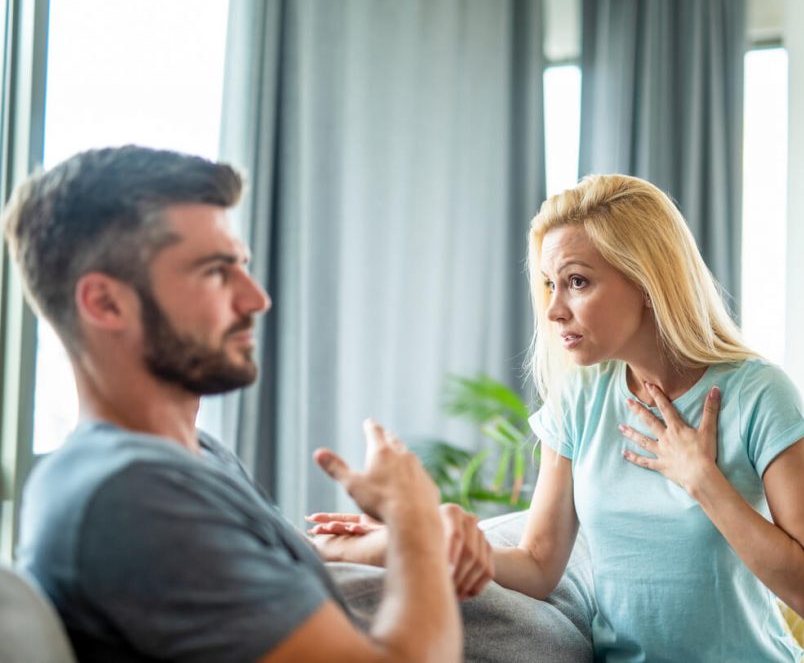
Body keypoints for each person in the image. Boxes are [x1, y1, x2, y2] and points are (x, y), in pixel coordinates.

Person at [5, 145, 491, 662]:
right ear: (105, 303)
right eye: (216, 271)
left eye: (243, 265)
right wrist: (411, 516)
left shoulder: (193, 455)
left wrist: (385, 540)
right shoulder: (126, 495)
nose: (257, 298)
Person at [489, 174, 804, 661]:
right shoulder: (579, 399)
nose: (553, 309)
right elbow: (536, 563)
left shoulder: (759, 394)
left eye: (577, 282)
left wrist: (701, 478)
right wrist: (414, 542)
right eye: (551, 284)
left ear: (647, 281)